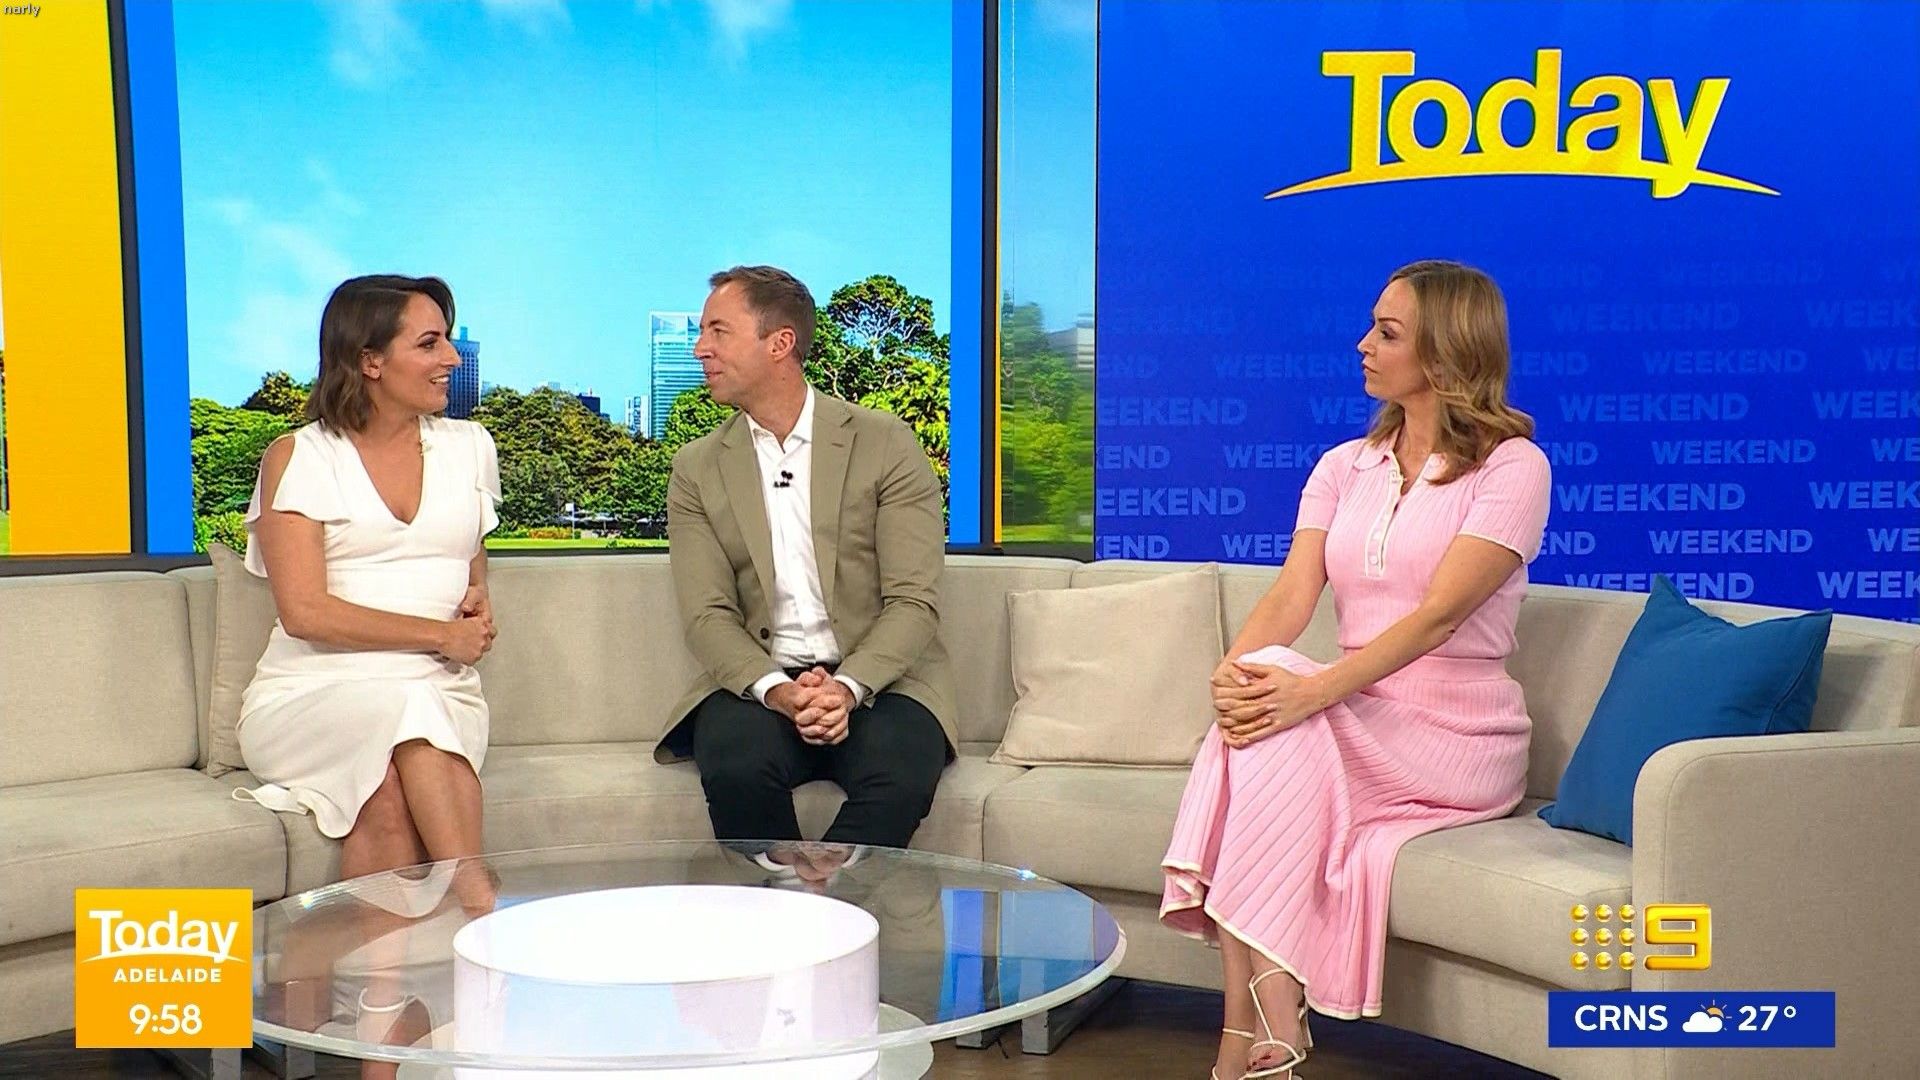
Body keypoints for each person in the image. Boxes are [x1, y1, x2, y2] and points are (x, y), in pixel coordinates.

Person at [1161, 260, 1551, 1080]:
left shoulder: (1513, 468)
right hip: (1360, 716)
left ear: (1445, 354)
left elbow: (1439, 616)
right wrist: (1231, 675)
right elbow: (1292, 593)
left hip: (1458, 733)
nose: (1362, 345)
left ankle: (1255, 1038)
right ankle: (1261, 1034)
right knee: (1254, 706)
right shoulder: (1345, 466)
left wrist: (1309, 693)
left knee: (1272, 717)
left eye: (1387, 332)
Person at [660, 265, 956, 868]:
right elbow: (707, 615)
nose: (700, 349)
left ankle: (834, 900)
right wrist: (779, 691)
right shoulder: (696, 468)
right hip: (759, 685)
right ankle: (784, 901)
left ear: (780, 343)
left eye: (718, 331)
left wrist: (845, 688)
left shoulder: (885, 444)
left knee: (903, 768)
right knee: (735, 764)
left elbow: (913, 602)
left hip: (880, 683)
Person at [237, 275, 503, 938]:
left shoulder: (470, 448)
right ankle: (476, 896)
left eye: (448, 341)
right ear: (370, 361)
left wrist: (475, 602)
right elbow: (305, 612)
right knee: (407, 713)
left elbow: (466, 560)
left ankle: (374, 1000)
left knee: (386, 794)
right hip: (312, 691)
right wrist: (440, 635)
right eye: (430, 343)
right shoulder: (299, 457)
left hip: (436, 685)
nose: (452, 358)